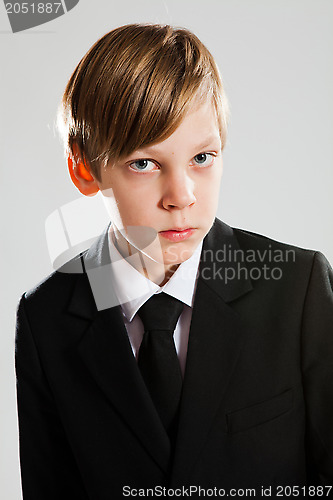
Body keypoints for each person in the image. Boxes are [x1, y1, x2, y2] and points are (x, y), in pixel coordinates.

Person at [15, 23, 333, 499]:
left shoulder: (298, 287)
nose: (181, 197)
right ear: (83, 168)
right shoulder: (46, 318)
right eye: (144, 163)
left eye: (202, 157)